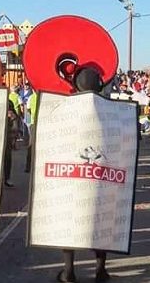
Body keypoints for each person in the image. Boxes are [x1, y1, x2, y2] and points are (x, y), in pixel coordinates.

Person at [57, 67, 110, 283]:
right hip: (102, 175)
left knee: (70, 219)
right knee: (102, 220)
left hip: (72, 175)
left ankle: (68, 271)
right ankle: (100, 270)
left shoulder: (64, 111)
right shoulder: (111, 111)